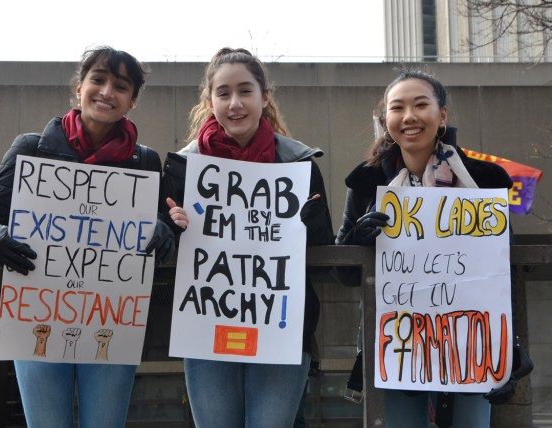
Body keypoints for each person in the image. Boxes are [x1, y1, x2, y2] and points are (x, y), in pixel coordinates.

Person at [0, 46, 175, 428]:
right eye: (99, 79)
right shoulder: (30, 149)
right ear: (79, 88)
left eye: (121, 86)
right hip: (37, 321)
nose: (107, 91)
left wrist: (163, 229)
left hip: (111, 322)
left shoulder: (145, 162)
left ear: (132, 102)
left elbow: (162, 233)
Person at [335, 68, 533, 428]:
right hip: (399, 346)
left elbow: (503, 274)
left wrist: (509, 347)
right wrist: (357, 242)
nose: (409, 116)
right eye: (397, 108)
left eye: (420, 104)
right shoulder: (366, 182)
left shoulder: (484, 182)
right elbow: (345, 275)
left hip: (471, 347)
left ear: (441, 115)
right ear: (386, 120)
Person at [161, 47, 334, 428]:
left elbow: (325, 254)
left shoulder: (300, 166)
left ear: (264, 97)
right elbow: (162, 254)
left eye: (245, 91)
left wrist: (314, 224)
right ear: (210, 101)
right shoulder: (181, 170)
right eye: (223, 93)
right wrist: (171, 228)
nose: (235, 103)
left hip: (280, 331)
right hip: (207, 329)